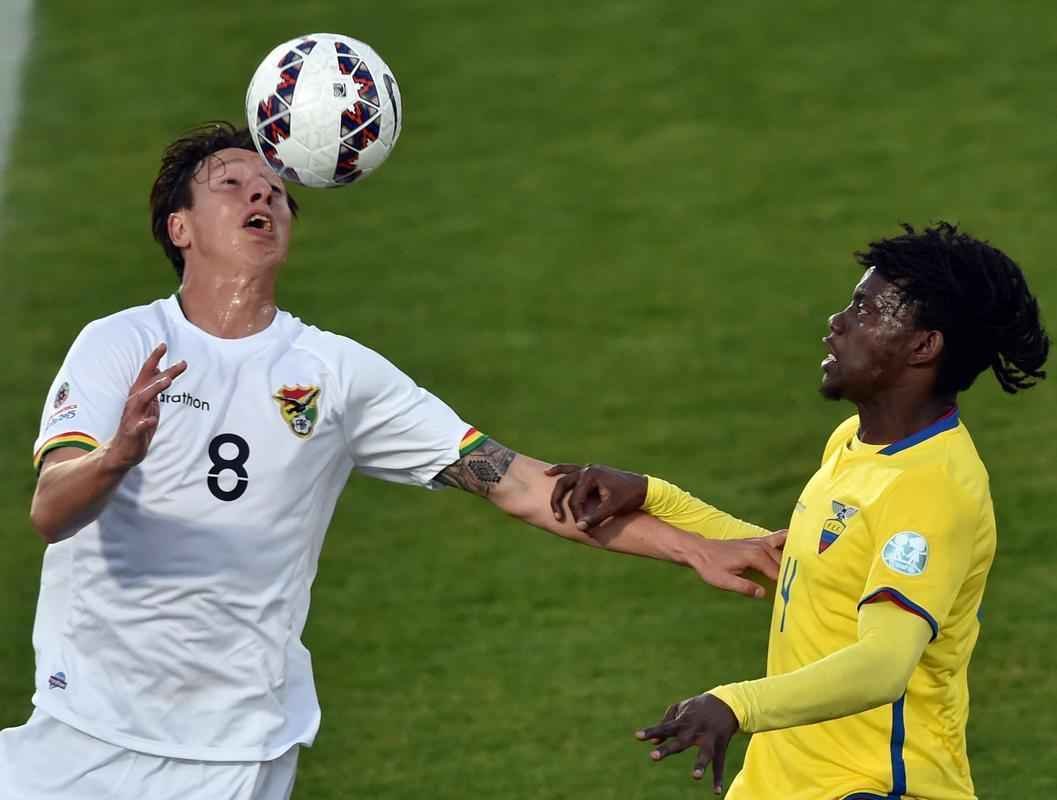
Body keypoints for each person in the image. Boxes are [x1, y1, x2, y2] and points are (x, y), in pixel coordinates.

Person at [0, 122, 784, 800]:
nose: (261, 198)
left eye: (274, 190)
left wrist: (695, 547)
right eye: (232, 184)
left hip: (235, 747)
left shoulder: (339, 376)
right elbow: (50, 510)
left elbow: (516, 484)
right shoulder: (122, 344)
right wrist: (117, 456)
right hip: (81, 725)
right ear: (179, 229)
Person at [549, 222, 1049, 799]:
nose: (838, 322)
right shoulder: (855, 444)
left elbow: (885, 664)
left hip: (872, 786)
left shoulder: (932, 488)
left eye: (866, 309)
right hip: (781, 781)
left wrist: (738, 704)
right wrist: (655, 495)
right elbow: (806, 566)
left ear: (923, 346)